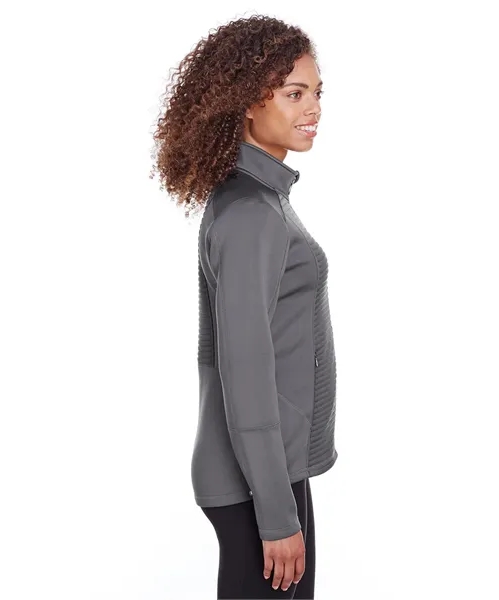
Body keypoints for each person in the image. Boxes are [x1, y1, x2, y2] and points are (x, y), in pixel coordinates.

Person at [150, 14, 338, 599]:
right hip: (260, 480)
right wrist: (277, 516)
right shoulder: (252, 213)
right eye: (294, 94)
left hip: (273, 468)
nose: (314, 108)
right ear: (249, 103)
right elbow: (246, 372)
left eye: (318, 93)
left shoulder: (261, 199)